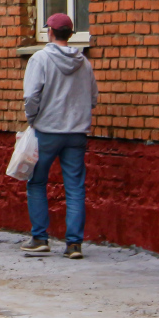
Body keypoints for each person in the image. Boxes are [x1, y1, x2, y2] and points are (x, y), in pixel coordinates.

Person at [21, 13, 98, 259]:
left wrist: (32, 119)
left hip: (47, 131)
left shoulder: (40, 58)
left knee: (36, 182)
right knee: (75, 187)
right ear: (71, 34)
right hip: (76, 133)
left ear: (50, 33)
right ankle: (74, 245)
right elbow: (93, 97)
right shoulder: (84, 62)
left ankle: (40, 238)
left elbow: (31, 95)